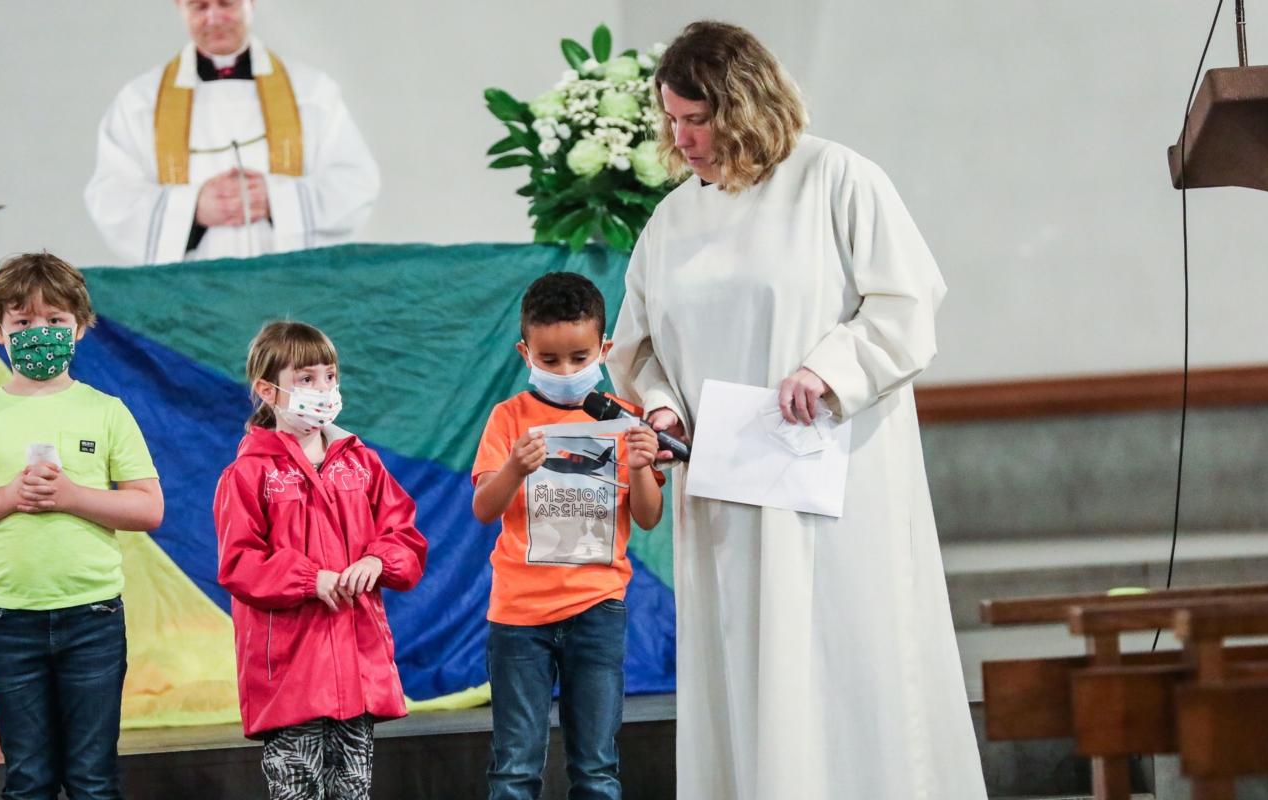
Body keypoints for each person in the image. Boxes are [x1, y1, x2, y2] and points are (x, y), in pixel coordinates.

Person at [604, 21, 986, 799]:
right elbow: (636, 350)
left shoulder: (836, 179)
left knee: (844, 654)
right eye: (672, 120)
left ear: (744, 104)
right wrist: (666, 413)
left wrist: (827, 367)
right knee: (746, 663)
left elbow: (908, 303)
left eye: (697, 119)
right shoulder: (673, 219)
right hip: (728, 488)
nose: (682, 139)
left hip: (831, 476)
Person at [0, 252, 165, 799]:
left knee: (93, 778)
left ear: (80, 326)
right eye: (23, 322)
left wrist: (73, 495)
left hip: (94, 619)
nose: (41, 333)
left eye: (55, 321)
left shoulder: (105, 411)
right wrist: (9, 495)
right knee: (28, 777)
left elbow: (148, 508)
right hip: (10, 622)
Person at [214, 320, 427, 800]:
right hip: (289, 670)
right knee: (297, 787)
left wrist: (379, 560)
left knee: (353, 787)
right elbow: (239, 563)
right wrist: (310, 579)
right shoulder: (247, 474)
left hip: (357, 662)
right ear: (268, 391)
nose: (324, 388)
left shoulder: (362, 462)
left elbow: (405, 537)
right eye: (306, 379)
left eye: (329, 376)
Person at [471, 273, 664, 800]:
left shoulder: (624, 419)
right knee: (514, 767)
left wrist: (644, 465)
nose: (566, 371)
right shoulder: (508, 418)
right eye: (549, 360)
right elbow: (485, 508)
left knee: (597, 767)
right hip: (518, 618)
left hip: (597, 609)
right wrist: (513, 468)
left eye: (580, 358)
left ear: (603, 349)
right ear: (524, 352)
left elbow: (648, 517)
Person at [85, 0, 380, 264]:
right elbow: (111, 197)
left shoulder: (311, 92)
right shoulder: (141, 101)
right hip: (190, 292)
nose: (214, 18)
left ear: (251, 3)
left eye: (226, 3)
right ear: (180, 7)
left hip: (288, 284)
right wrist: (192, 210)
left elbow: (354, 182)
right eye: (199, 6)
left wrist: (278, 201)